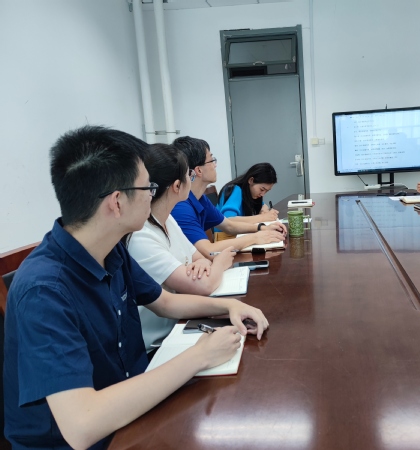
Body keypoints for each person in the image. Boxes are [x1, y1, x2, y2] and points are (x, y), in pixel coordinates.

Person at [3, 126, 269, 450]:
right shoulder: (44, 291)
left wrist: (229, 306)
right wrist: (200, 356)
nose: (152, 195)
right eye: (148, 187)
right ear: (117, 202)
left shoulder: (110, 249)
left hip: (134, 406)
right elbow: (82, 425)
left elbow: (166, 303)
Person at [126, 143, 237, 352]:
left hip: (182, 324)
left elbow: (199, 257)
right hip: (159, 344)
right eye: (189, 175)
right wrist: (220, 262)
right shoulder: (141, 236)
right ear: (177, 186)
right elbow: (204, 285)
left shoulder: (168, 219)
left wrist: (204, 264)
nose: (191, 180)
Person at [171, 136, 287, 258]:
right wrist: (256, 237)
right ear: (198, 170)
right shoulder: (180, 206)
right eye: (211, 160)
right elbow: (209, 250)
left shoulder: (200, 199)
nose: (215, 165)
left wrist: (261, 228)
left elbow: (229, 225)